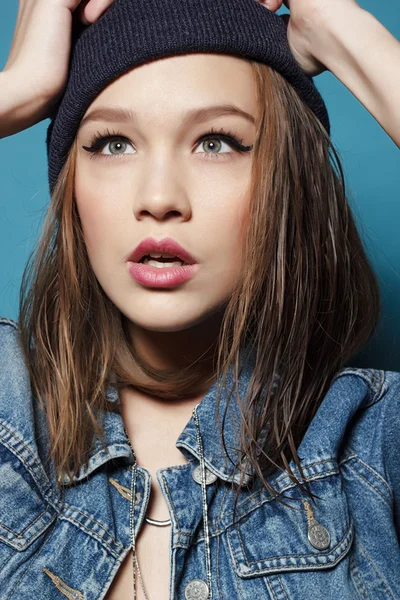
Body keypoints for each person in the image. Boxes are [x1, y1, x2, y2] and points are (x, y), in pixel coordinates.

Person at [0, 0, 399, 599]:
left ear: (287, 182)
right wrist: (20, 89)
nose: (160, 197)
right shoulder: (9, 418)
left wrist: (345, 31)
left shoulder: (372, 444)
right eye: (112, 143)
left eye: (217, 142)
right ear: (71, 188)